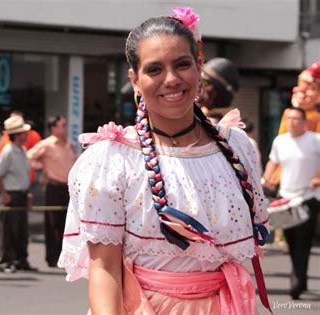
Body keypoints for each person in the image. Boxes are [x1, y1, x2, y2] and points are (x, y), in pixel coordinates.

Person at [58, 8, 270, 314]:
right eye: (154, 69)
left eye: (182, 64)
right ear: (135, 80)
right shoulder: (112, 161)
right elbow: (104, 269)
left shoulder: (237, 146)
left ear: (199, 67)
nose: (171, 79)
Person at [262, 107, 320, 300]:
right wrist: (268, 175)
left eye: (296, 119)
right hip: (286, 197)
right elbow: (273, 161)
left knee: (303, 241)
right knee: (291, 240)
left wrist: (317, 178)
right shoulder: (281, 141)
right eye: (289, 119)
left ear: (304, 122)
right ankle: (300, 278)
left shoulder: (315, 140)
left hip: (309, 197)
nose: (292, 122)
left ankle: (296, 283)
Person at [27, 115, 77, 267]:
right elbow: (28, 157)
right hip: (54, 186)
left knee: (68, 223)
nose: (65, 128)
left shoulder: (70, 145)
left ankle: (67, 255)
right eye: (62, 125)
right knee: (52, 223)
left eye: (65, 125)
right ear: (53, 128)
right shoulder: (47, 144)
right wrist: (41, 168)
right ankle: (53, 257)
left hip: (68, 188)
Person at [0, 116, 36, 273]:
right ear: (17, 135)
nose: (26, 135)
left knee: (22, 230)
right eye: (23, 133)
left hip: (22, 193)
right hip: (11, 193)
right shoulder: (8, 151)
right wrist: (4, 193)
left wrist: (29, 193)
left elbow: (24, 175)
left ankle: (21, 259)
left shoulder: (23, 150)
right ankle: (5, 261)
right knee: (8, 231)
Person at [0, 110, 42, 182]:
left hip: (28, 178)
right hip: (13, 182)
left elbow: (41, 155)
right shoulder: (7, 149)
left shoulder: (31, 138)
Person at [278, 62, 320, 134]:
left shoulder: (317, 118)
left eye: (310, 88)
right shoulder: (288, 113)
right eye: (299, 86)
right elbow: (282, 137)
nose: (299, 91)